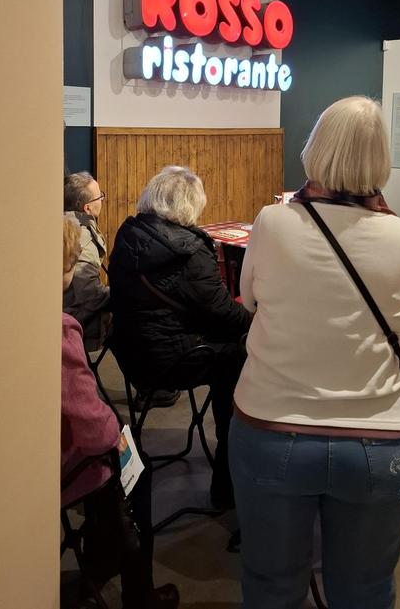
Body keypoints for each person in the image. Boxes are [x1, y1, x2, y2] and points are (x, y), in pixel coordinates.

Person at [229, 96, 400, 609]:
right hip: (379, 437)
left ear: (316, 149)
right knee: (365, 589)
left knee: (271, 585)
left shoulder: (272, 222)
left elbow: (248, 300)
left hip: (272, 426)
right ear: (381, 157)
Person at [108, 165, 253, 507]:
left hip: (131, 355)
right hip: (171, 361)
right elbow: (224, 314)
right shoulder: (188, 249)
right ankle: (228, 482)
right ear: (191, 205)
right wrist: (258, 319)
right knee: (240, 356)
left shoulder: (130, 233)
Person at [61, 215, 179, 609]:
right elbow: (95, 431)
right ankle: (138, 592)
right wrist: (119, 433)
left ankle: (98, 562)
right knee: (134, 464)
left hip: (20, 456)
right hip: (60, 466)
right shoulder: (60, 331)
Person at [63, 171, 111, 349]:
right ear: (87, 208)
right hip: (80, 329)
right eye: (100, 197)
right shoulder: (82, 236)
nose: (102, 200)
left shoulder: (62, 223)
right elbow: (89, 294)